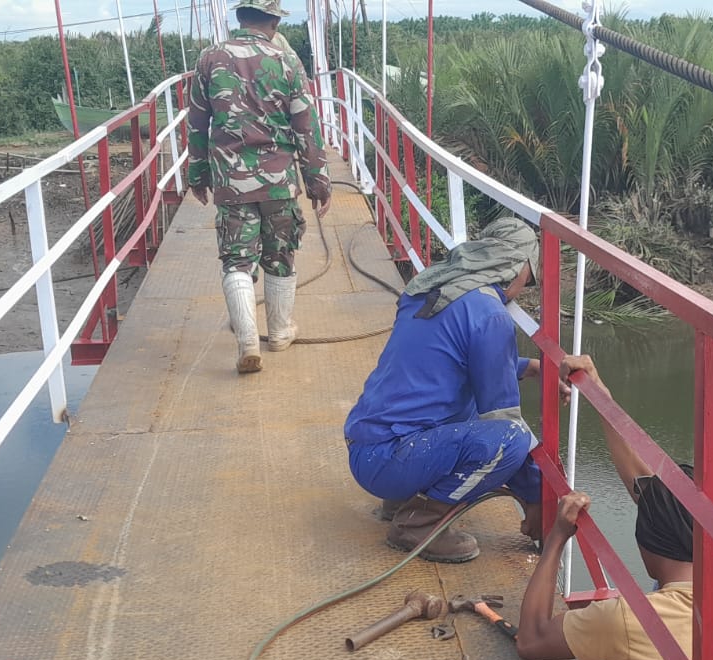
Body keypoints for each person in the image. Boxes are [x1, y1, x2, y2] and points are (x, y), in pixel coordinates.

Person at [515, 356, 713, 660]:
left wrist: (557, 539)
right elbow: (648, 485)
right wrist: (597, 389)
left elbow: (531, 641)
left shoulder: (630, 620)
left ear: (647, 542)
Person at [344, 218, 549, 563]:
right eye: (530, 276)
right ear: (516, 267)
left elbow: (446, 359)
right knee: (510, 438)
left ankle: (401, 499)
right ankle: (417, 524)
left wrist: (526, 367)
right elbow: (504, 422)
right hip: (389, 461)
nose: (526, 285)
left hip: (366, 448)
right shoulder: (490, 313)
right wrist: (537, 496)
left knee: (464, 404)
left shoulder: (433, 286)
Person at [187, 0, 332, 375]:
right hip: (279, 182)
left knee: (236, 259)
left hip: (231, 182)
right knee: (281, 254)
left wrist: (197, 175)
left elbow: (197, 123)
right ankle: (280, 332)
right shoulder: (286, 60)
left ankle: (248, 340)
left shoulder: (209, 59)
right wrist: (317, 180)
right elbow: (306, 126)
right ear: (273, 22)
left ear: (240, 17)